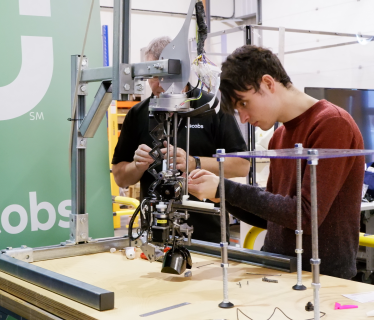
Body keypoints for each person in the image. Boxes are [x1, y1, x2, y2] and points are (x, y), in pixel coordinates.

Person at [188, 45, 365, 279]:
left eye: (243, 103)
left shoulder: (332, 123)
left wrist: (225, 188)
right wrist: (221, 196)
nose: (243, 118)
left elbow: (305, 216)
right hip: (279, 268)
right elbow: (272, 216)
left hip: (323, 277)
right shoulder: (279, 137)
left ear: (268, 84)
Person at [111, 36, 250, 243]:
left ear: (182, 72)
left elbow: (242, 165)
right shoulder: (138, 114)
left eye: (163, 76)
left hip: (207, 234)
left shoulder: (212, 107)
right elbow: (121, 178)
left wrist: (194, 162)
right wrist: (137, 166)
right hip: (154, 234)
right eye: (152, 75)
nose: (156, 84)